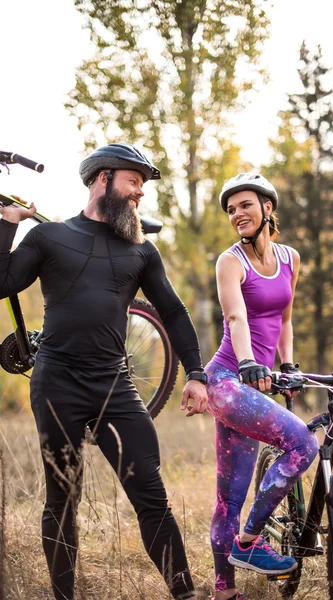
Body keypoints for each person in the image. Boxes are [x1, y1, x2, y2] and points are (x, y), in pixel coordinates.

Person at [0, 143, 208, 600]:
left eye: (142, 186)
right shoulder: (48, 237)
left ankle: (186, 593)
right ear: (102, 179)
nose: (139, 194)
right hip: (57, 383)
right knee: (63, 499)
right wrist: (5, 226)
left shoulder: (142, 251)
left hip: (115, 385)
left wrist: (196, 372)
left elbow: (173, 312)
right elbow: (3, 283)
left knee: (151, 496)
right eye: (134, 182)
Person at [204, 173, 319, 600]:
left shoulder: (290, 257)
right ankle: (249, 544)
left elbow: (285, 319)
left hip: (254, 384)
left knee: (229, 496)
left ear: (268, 208)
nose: (237, 214)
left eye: (246, 205)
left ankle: (224, 591)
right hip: (226, 380)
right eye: (231, 209)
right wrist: (250, 361)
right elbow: (237, 318)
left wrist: (287, 366)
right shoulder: (230, 261)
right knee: (304, 444)